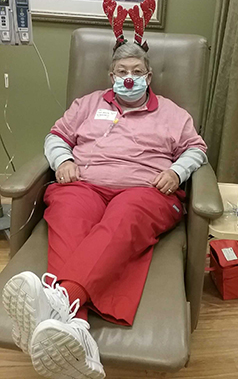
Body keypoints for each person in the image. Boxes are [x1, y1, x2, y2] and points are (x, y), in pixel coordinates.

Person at [2, 42, 207, 378]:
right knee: (68, 213)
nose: (129, 79)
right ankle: (77, 332)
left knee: (123, 216)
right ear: (111, 76)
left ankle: (59, 300)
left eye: (137, 72)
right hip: (85, 184)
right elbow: (56, 137)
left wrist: (176, 171)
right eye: (122, 72)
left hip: (145, 191)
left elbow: (196, 150)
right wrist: (64, 159)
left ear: (149, 76)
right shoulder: (87, 105)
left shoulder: (172, 113)